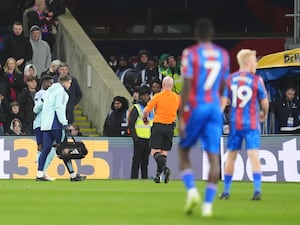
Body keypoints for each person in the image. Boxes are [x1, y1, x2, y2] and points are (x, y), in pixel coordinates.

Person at [178, 18, 230, 217]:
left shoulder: (191, 53)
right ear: (212, 35)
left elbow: (187, 86)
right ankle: (208, 206)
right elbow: (224, 85)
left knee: (183, 151)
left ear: (196, 35)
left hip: (197, 107)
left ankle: (191, 191)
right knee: (213, 157)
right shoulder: (223, 55)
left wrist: (182, 116)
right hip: (214, 108)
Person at [219, 49, 269, 201]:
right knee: (254, 156)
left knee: (231, 157)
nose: (256, 63)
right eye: (254, 60)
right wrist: (264, 113)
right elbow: (265, 101)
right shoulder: (256, 80)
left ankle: (226, 191)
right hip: (252, 124)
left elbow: (222, 102)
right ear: (247, 62)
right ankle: (257, 190)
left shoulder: (230, 79)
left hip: (235, 125)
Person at [36, 74, 86, 181]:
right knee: (65, 148)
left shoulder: (48, 91)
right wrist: (64, 123)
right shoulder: (62, 93)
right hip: (56, 125)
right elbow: (59, 107)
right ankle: (73, 175)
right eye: (69, 83)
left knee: (46, 149)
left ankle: (40, 173)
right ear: (65, 82)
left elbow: (38, 107)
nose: (70, 85)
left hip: (46, 125)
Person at [143, 76, 180, 183]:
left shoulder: (157, 96)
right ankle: (158, 176)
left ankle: (164, 169)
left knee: (154, 151)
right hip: (170, 127)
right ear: (172, 86)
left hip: (158, 125)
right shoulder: (177, 97)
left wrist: (145, 118)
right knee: (164, 152)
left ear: (162, 85)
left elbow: (146, 110)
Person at [128, 85, 153, 179]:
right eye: (144, 95)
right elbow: (131, 124)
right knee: (136, 160)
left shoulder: (151, 108)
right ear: (141, 96)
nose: (146, 97)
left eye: (148, 95)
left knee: (145, 161)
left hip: (148, 138)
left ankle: (144, 178)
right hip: (139, 138)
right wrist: (135, 138)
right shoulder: (137, 107)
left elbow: (151, 123)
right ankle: (134, 178)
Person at [33, 75, 54, 180]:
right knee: (42, 146)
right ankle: (40, 171)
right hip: (40, 123)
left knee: (49, 147)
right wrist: (44, 101)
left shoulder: (52, 94)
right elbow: (36, 109)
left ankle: (42, 171)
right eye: (50, 82)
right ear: (44, 82)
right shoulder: (40, 94)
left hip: (48, 124)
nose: (51, 85)